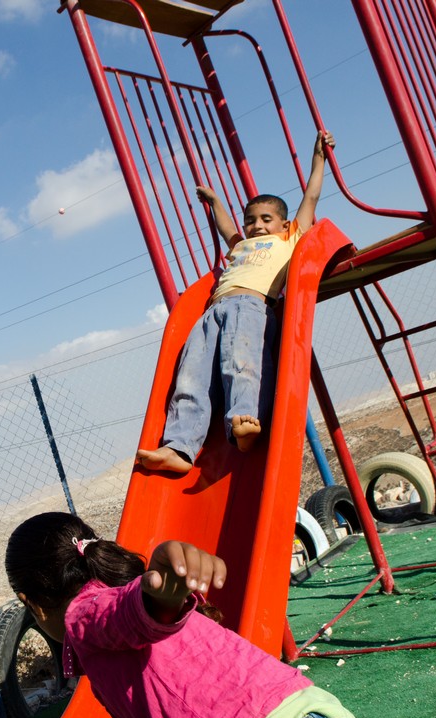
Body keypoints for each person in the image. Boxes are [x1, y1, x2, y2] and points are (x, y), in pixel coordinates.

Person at [5, 512, 397, 718]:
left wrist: (160, 594)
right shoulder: (104, 618)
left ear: (32, 604)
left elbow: (132, 612)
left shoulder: (83, 614)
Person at [137, 131, 336, 473]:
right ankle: (180, 447)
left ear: (285, 224)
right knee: (191, 374)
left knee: (242, 362)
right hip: (213, 311)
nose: (256, 226)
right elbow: (227, 228)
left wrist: (318, 158)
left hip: (251, 306)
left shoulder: (288, 240)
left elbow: (311, 197)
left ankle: (244, 420)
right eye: (251, 221)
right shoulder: (240, 248)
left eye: (265, 219)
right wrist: (215, 202)